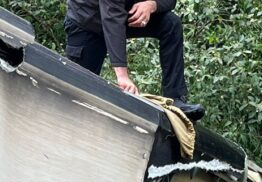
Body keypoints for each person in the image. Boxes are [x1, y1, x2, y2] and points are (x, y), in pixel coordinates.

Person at [64, 0, 205, 121]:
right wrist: (122, 76)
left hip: (125, 14)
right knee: (76, 93)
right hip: (87, 21)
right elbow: (112, 16)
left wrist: (152, 4)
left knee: (171, 23)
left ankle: (175, 99)